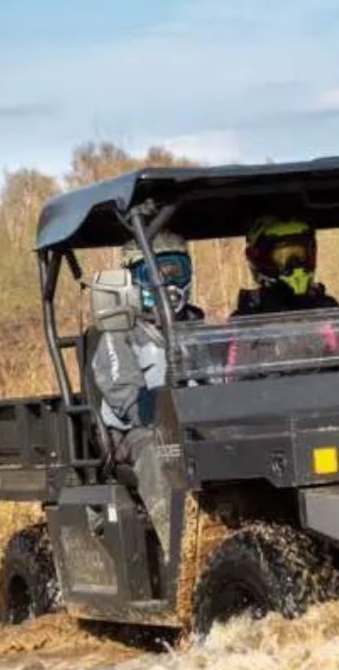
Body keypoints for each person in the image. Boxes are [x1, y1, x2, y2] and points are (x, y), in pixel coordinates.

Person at [90, 231, 202, 559]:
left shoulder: (198, 325)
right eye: (152, 274)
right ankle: (182, 553)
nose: (165, 283)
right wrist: (158, 407)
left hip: (195, 421)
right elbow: (124, 394)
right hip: (136, 431)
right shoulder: (118, 331)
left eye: (174, 271)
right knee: (159, 452)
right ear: (133, 281)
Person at [232, 215, 339, 317]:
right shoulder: (247, 316)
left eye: (299, 254)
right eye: (282, 256)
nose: (294, 263)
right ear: (259, 259)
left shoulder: (327, 309)